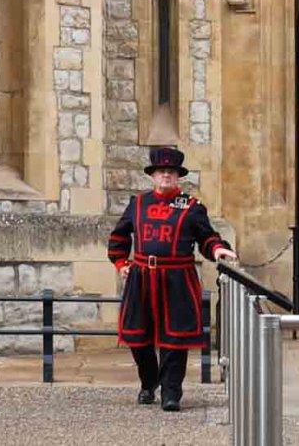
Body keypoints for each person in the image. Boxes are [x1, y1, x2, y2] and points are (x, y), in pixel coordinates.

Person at [108, 145, 235, 412]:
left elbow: (206, 237)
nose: (166, 175)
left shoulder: (191, 207)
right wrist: (121, 262)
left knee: (174, 339)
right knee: (138, 337)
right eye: (161, 171)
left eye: (171, 171)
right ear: (153, 175)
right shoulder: (138, 204)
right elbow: (119, 235)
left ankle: (171, 392)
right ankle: (149, 382)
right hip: (142, 277)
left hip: (177, 279)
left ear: (178, 176)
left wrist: (217, 249)